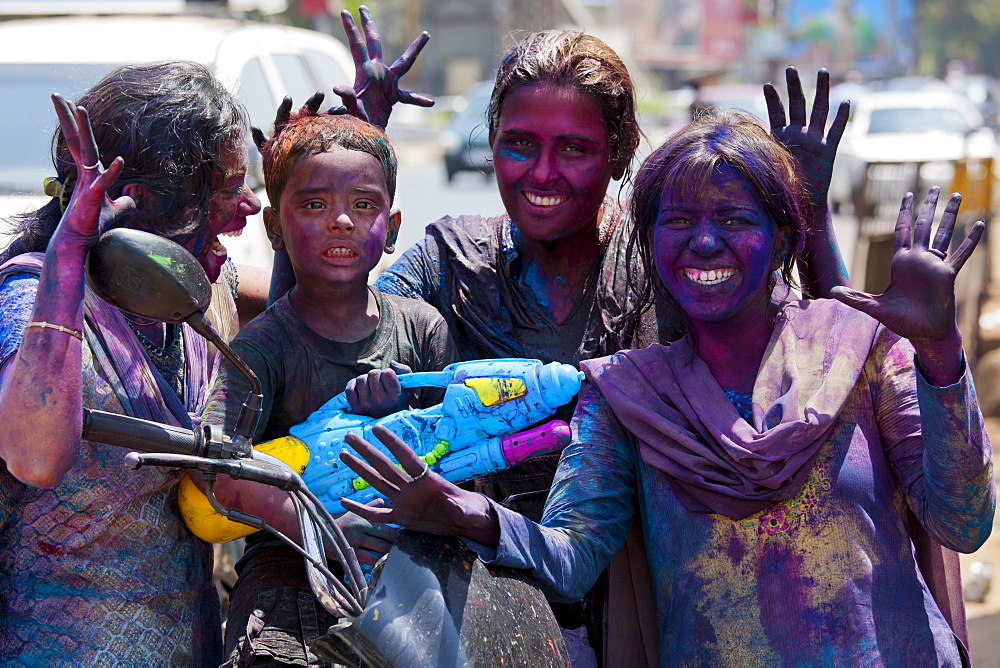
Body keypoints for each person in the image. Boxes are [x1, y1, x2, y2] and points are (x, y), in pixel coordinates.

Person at [339, 112, 995, 665]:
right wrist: (462, 513)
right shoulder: (629, 397)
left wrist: (940, 352)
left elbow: (964, 523)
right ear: (650, 244)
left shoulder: (862, 351)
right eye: (678, 221)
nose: (705, 242)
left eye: (735, 219)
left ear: (785, 236)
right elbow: (572, 557)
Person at [366, 28, 849, 660]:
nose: (542, 173)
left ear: (619, 155)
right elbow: (353, 324)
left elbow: (823, 354)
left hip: (649, 594)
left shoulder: (662, 261)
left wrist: (808, 215)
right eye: (518, 144)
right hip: (472, 595)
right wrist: (363, 146)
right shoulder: (448, 263)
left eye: (574, 149)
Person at [0, 61, 264, 665]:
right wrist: (68, 254)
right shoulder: (29, 303)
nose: (248, 205)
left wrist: (354, 152)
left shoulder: (188, 293)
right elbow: (36, 457)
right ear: (143, 201)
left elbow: (304, 306)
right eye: (227, 187)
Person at [198, 109, 457, 666]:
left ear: (393, 226)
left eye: (364, 205)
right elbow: (215, 471)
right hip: (287, 578)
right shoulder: (263, 349)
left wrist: (401, 421)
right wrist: (321, 528)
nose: (341, 221)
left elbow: (461, 456)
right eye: (315, 205)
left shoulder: (421, 330)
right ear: (274, 228)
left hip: (409, 563)